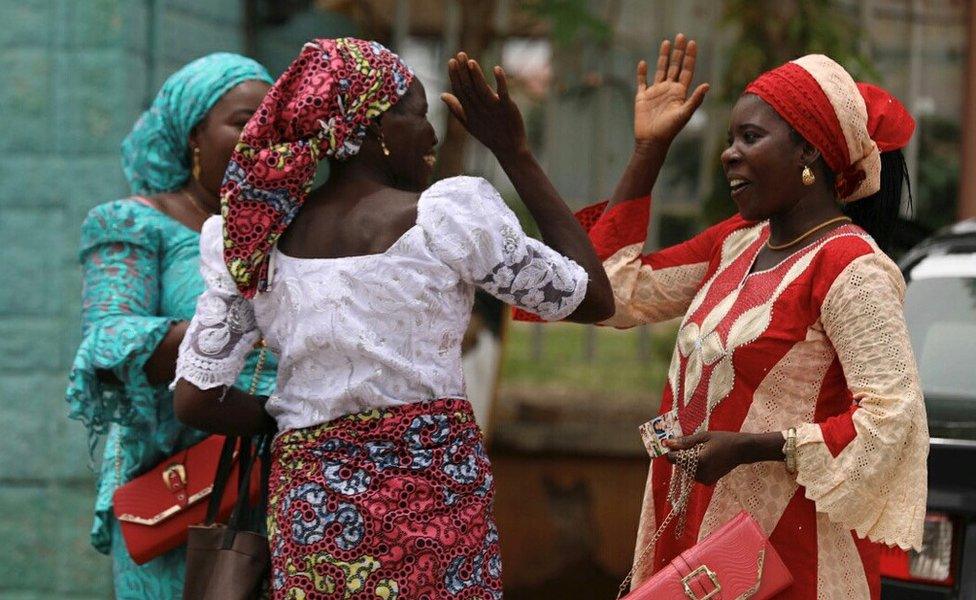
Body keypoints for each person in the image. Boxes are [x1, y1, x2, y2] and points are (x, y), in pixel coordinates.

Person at [171, 38, 614, 599]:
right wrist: (514, 152)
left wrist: (303, 418)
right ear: (371, 128)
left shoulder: (254, 241)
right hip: (434, 501)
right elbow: (593, 298)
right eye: (418, 115)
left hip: (314, 513)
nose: (431, 134)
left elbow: (195, 399)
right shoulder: (446, 219)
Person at [534, 35, 927, 597]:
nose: (728, 154)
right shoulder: (739, 243)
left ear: (808, 152)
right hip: (697, 539)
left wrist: (755, 445)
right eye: (728, 139)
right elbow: (612, 293)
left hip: (791, 563)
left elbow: (892, 417)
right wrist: (649, 150)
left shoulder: (851, 265)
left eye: (750, 137)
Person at [65, 53, 277, 599]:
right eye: (241, 121)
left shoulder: (295, 228)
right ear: (193, 136)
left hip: (287, 490)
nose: (262, 137)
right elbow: (107, 342)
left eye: (274, 123)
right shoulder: (135, 223)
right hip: (181, 492)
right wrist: (230, 333)